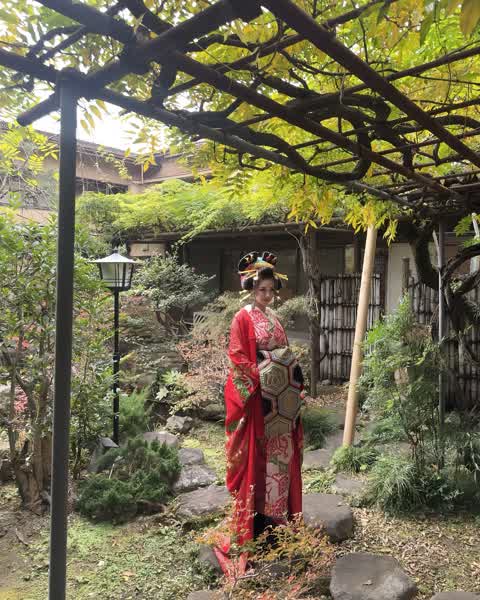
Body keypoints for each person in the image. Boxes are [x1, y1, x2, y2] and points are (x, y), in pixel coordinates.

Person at [214, 251, 304, 576]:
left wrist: (291, 379)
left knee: (281, 459)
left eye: (270, 290)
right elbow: (238, 356)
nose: (267, 295)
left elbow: (284, 353)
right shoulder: (242, 318)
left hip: (281, 403)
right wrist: (263, 376)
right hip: (258, 402)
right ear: (251, 289)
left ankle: (276, 522)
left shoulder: (275, 319)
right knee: (257, 463)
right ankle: (253, 528)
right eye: (261, 290)